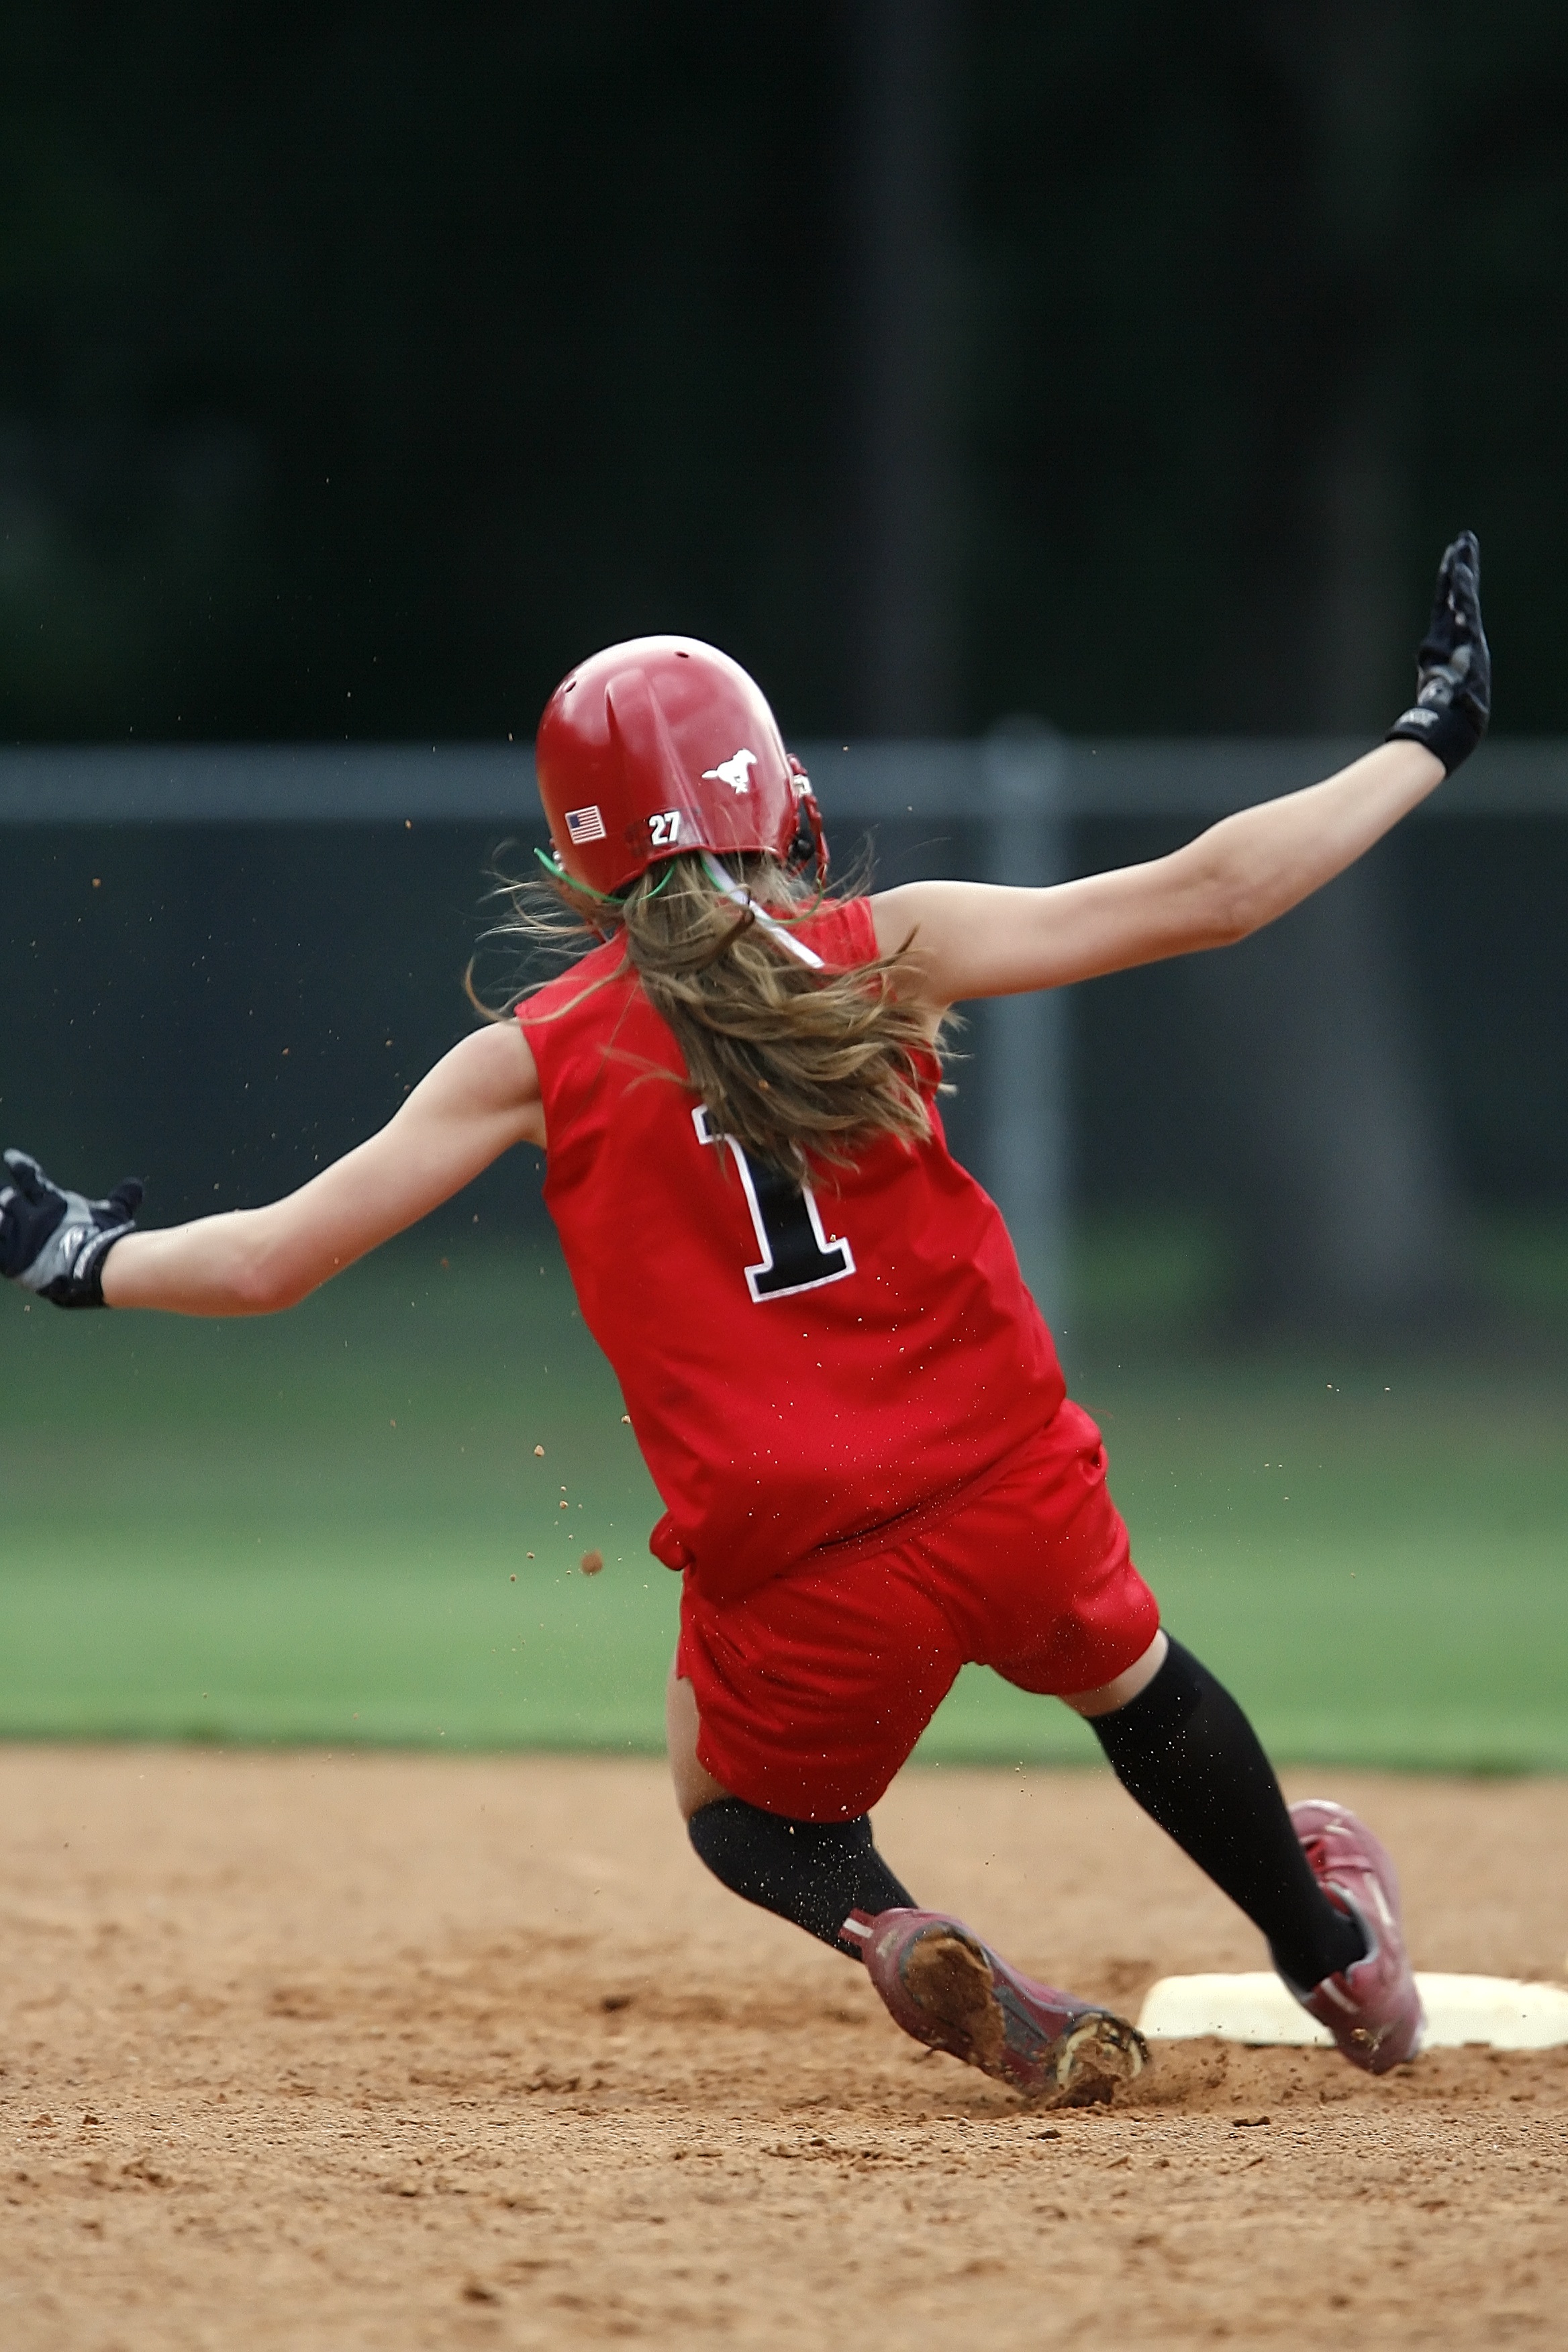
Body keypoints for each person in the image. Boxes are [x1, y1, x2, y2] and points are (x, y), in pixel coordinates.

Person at [1, 535, 1490, 2105]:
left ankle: (888, 1921)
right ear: (774, 792)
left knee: (742, 1813)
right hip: (1006, 1481)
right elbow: (1217, 895)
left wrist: (71, 1250)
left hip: (801, 1551)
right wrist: (1425, 738)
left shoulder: (537, 1054)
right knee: (1133, 1684)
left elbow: (268, 1263)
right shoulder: (886, 949)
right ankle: (1333, 1952)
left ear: (579, 859)